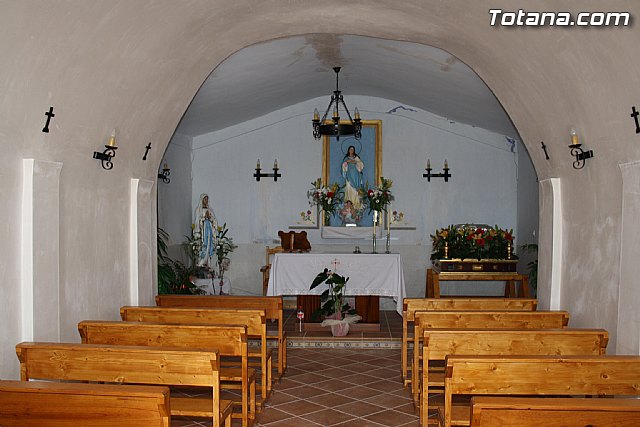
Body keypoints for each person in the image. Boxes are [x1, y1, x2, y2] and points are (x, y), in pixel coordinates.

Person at [193, 193, 218, 268]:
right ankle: (201, 263)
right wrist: (204, 218)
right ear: (202, 200)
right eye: (205, 199)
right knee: (203, 246)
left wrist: (210, 218)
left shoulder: (210, 210)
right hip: (202, 231)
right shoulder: (198, 210)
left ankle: (208, 263)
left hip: (209, 230)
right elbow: (197, 221)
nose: (206, 201)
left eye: (207, 199)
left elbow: (214, 220)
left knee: (209, 245)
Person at [341, 145, 364, 211]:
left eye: (352, 150)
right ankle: (348, 205)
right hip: (349, 175)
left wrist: (355, 162)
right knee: (349, 188)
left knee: (355, 190)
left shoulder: (356, 158)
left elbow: (361, 165)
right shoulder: (346, 158)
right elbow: (343, 166)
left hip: (356, 175)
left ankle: (356, 205)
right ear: (348, 150)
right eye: (350, 149)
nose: (351, 151)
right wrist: (347, 162)